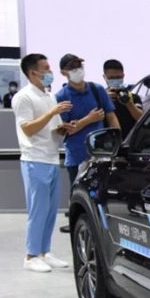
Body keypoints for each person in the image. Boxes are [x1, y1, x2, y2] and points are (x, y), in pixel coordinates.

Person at [12, 53, 76, 272]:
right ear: (33, 72)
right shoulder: (23, 97)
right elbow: (28, 128)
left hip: (51, 157)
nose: (50, 72)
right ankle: (30, 256)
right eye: (46, 68)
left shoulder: (49, 96)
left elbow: (53, 128)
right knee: (37, 210)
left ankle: (44, 252)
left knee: (49, 211)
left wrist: (64, 128)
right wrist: (52, 112)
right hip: (34, 158)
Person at [55, 53, 120, 232]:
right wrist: (89, 119)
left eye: (79, 66)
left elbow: (111, 116)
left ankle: (104, 226)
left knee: (102, 192)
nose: (77, 70)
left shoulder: (96, 89)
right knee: (78, 193)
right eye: (72, 67)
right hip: (76, 154)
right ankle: (79, 226)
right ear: (64, 72)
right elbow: (65, 129)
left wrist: (118, 140)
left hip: (100, 153)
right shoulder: (62, 97)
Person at [102, 59, 143, 138]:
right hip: (107, 141)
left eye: (118, 77)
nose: (115, 80)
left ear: (123, 76)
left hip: (130, 140)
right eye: (111, 78)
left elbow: (141, 119)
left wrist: (129, 103)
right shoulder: (100, 97)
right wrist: (104, 101)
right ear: (104, 77)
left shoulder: (133, 97)